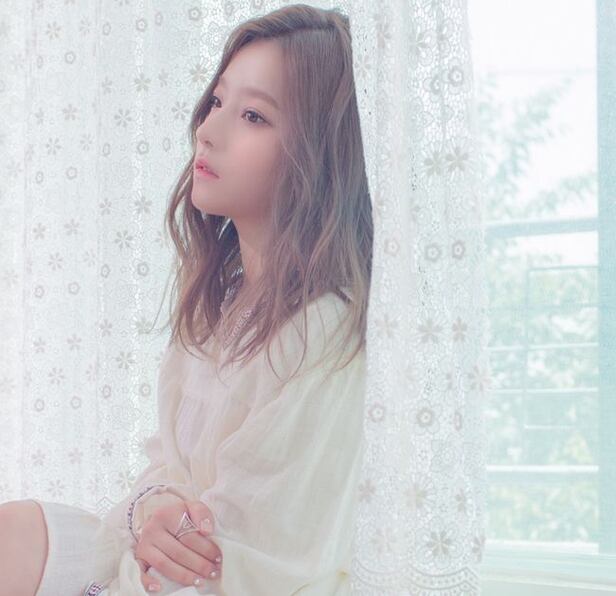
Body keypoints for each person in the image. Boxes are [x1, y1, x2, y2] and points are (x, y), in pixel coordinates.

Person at [2, 3, 373, 595]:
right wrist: (153, 511)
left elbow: (234, 563)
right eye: (217, 102)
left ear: (321, 154)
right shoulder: (221, 306)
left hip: (206, 583)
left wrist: (159, 531)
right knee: (12, 531)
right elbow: (163, 472)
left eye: (253, 115)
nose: (208, 130)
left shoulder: (319, 331)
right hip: (155, 561)